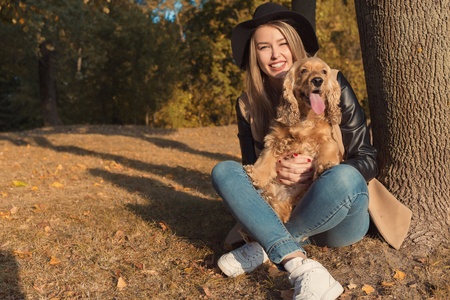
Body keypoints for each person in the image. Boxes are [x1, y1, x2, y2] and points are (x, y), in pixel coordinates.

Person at [211, 3, 378, 300]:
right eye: (264, 47)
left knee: (345, 177)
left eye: (283, 43)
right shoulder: (248, 103)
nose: (275, 55)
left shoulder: (332, 81)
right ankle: (299, 265)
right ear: (255, 55)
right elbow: (254, 174)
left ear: (295, 46)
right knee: (224, 171)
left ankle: (266, 244)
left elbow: (367, 158)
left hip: (337, 215)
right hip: (284, 208)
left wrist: (319, 170)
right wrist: (277, 167)